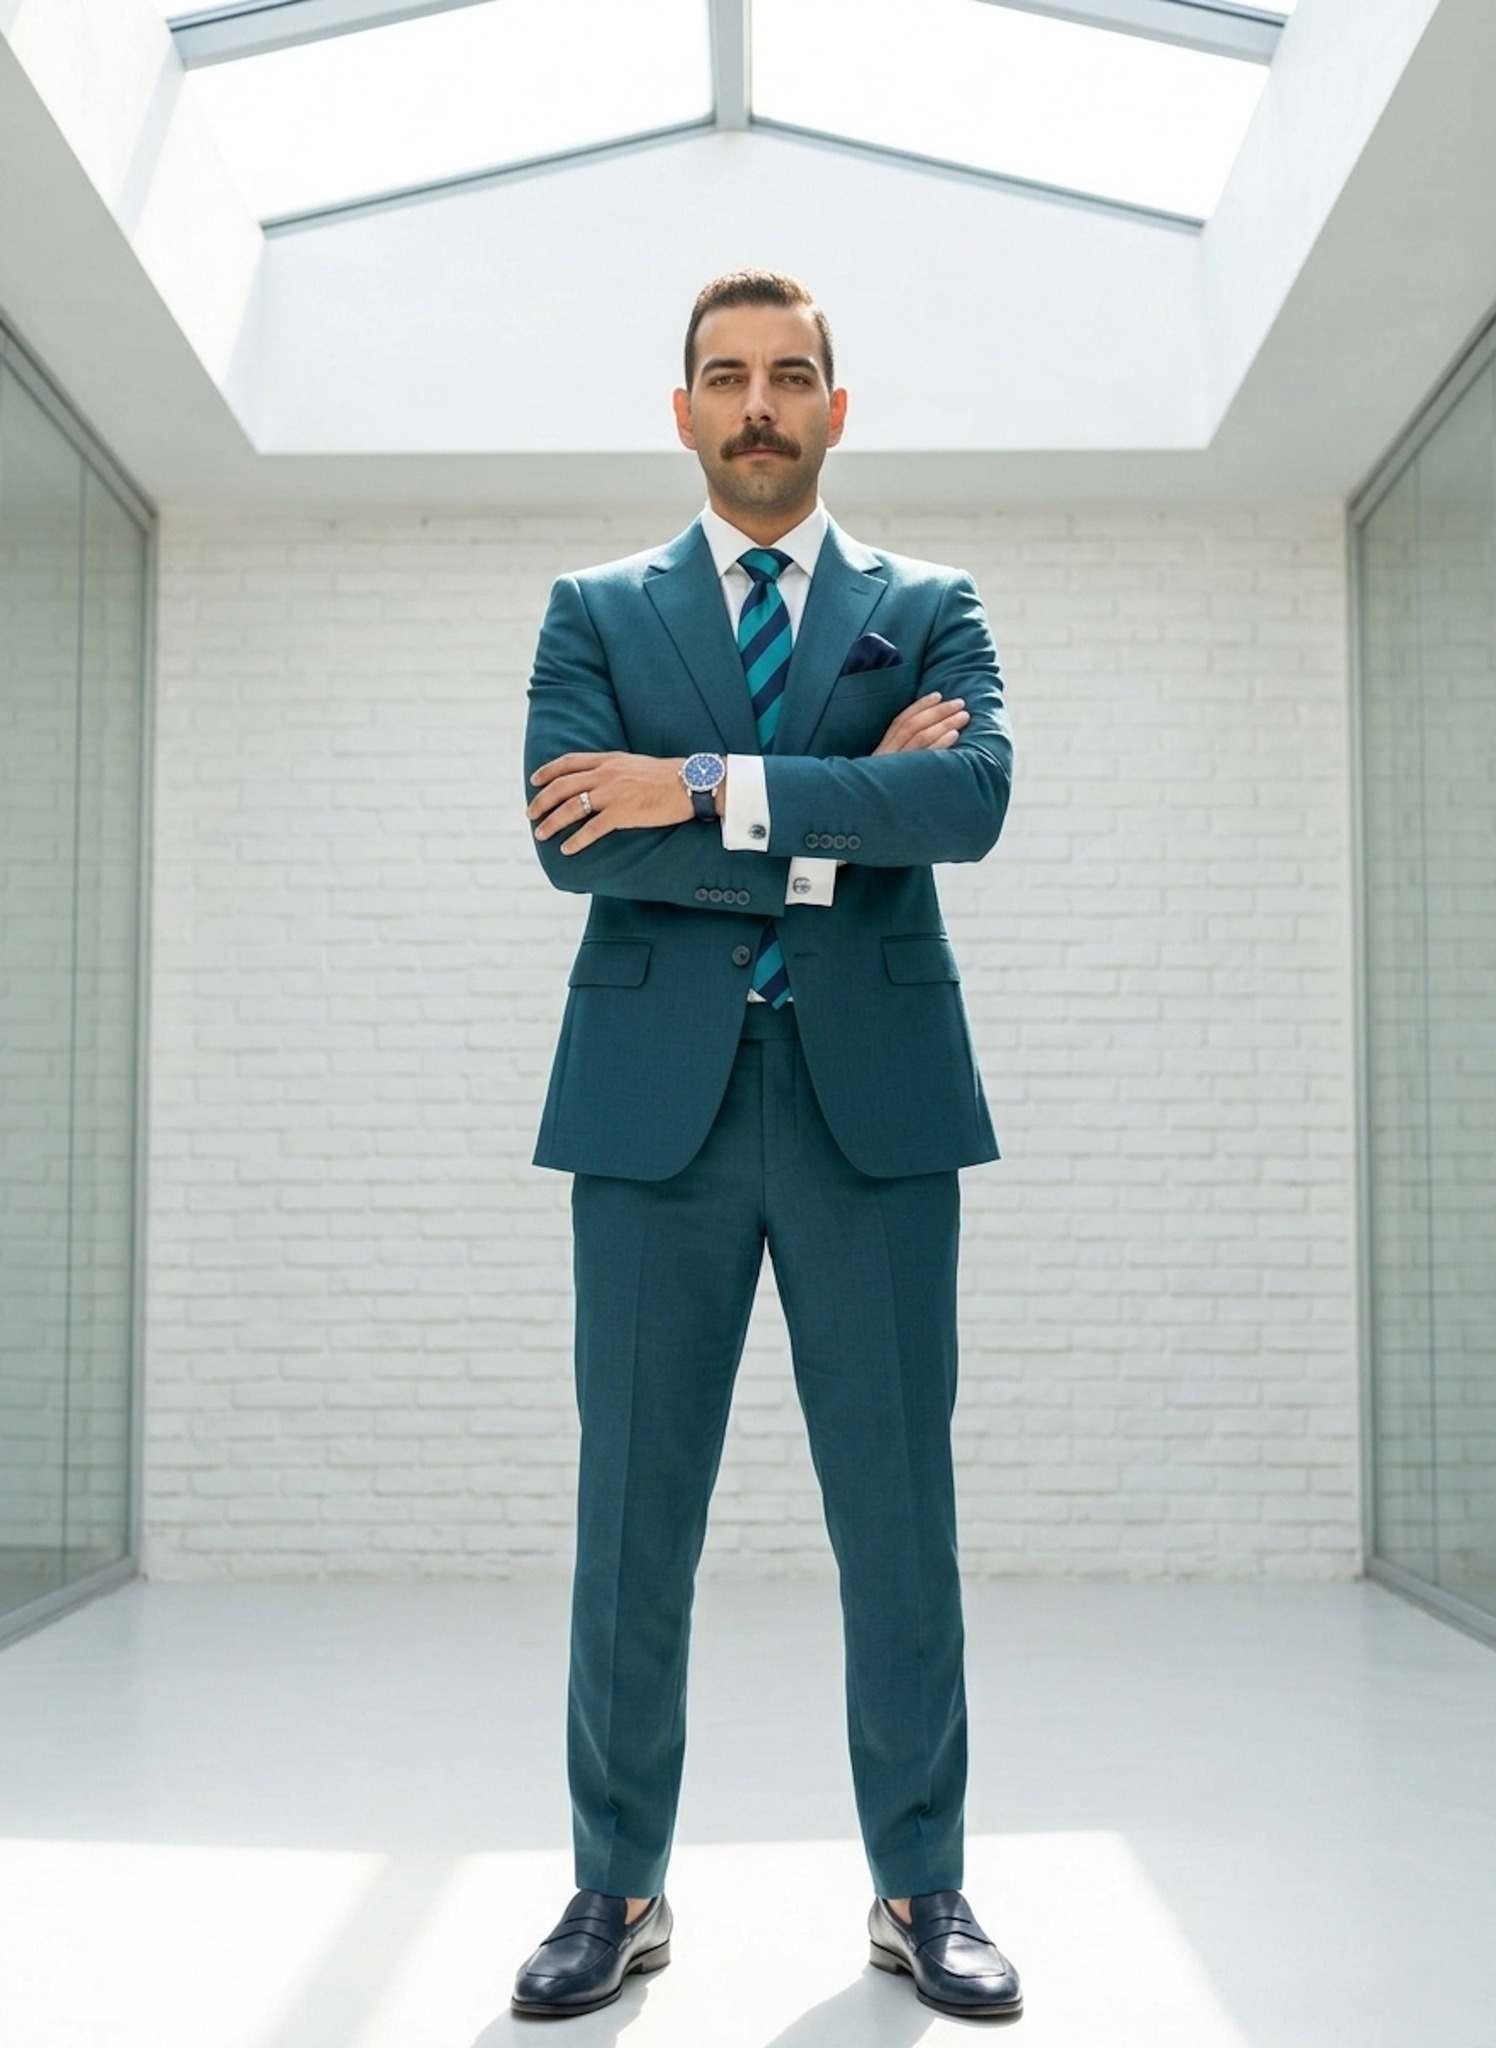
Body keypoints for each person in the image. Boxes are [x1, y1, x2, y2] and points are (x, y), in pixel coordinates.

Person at [511, 270, 1020, 2024]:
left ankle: (922, 1890)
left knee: (900, 1519)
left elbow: (966, 804)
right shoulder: (593, 610)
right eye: (725, 377)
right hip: (656, 1123)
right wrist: (828, 802)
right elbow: (579, 840)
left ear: (835, 407)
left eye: (789, 376)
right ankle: (616, 1887)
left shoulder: (929, 606)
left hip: (871, 1113)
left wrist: (705, 787)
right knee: (634, 1520)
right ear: (682, 411)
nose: (757, 404)